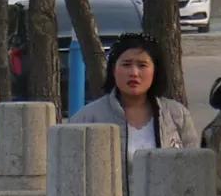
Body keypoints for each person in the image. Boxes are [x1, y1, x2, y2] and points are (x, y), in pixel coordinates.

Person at [67, 34, 196, 150]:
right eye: (126, 65)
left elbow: (192, 162)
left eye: (142, 65)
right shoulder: (87, 118)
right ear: (113, 70)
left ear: (155, 71)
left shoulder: (177, 115)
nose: (134, 73)